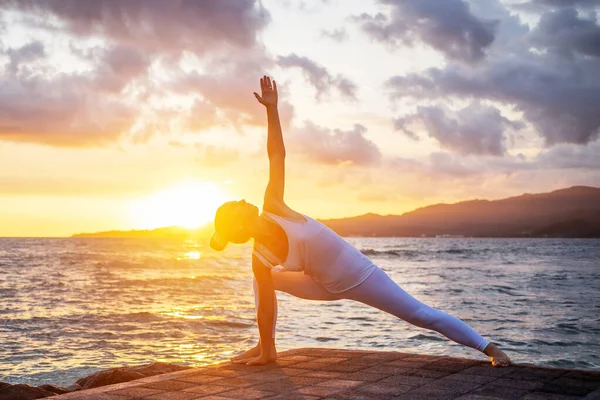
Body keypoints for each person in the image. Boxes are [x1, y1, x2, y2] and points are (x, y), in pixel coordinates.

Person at [209, 76, 511, 367]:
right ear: (237, 226)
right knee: (263, 282)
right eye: (234, 206)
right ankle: (267, 348)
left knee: (421, 315)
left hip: (359, 276)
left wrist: (272, 111)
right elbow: (265, 306)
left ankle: (489, 348)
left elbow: (276, 155)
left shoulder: (273, 205)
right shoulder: (260, 257)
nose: (240, 201)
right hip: (323, 285)